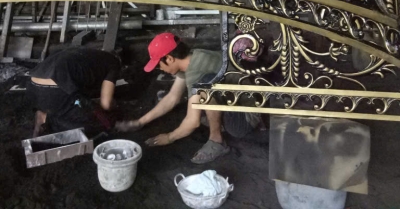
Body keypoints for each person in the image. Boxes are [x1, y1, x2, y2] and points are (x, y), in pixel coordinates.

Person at [117, 32, 258, 164]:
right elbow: (172, 97)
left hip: (245, 118)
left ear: (169, 58)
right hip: (235, 102)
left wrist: (169, 137)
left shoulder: (197, 71)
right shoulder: (190, 59)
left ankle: (216, 141)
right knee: (199, 95)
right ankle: (219, 122)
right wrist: (140, 122)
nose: (161, 69)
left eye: (159, 66)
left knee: (204, 86)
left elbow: (193, 122)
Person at [27, 47, 121, 137]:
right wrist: (113, 104)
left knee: (79, 103)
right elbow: (106, 105)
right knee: (98, 120)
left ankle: (44, 111)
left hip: (32, 87)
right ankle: (49, 119)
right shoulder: (114, 63)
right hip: (56, 92)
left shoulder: (87, 54)